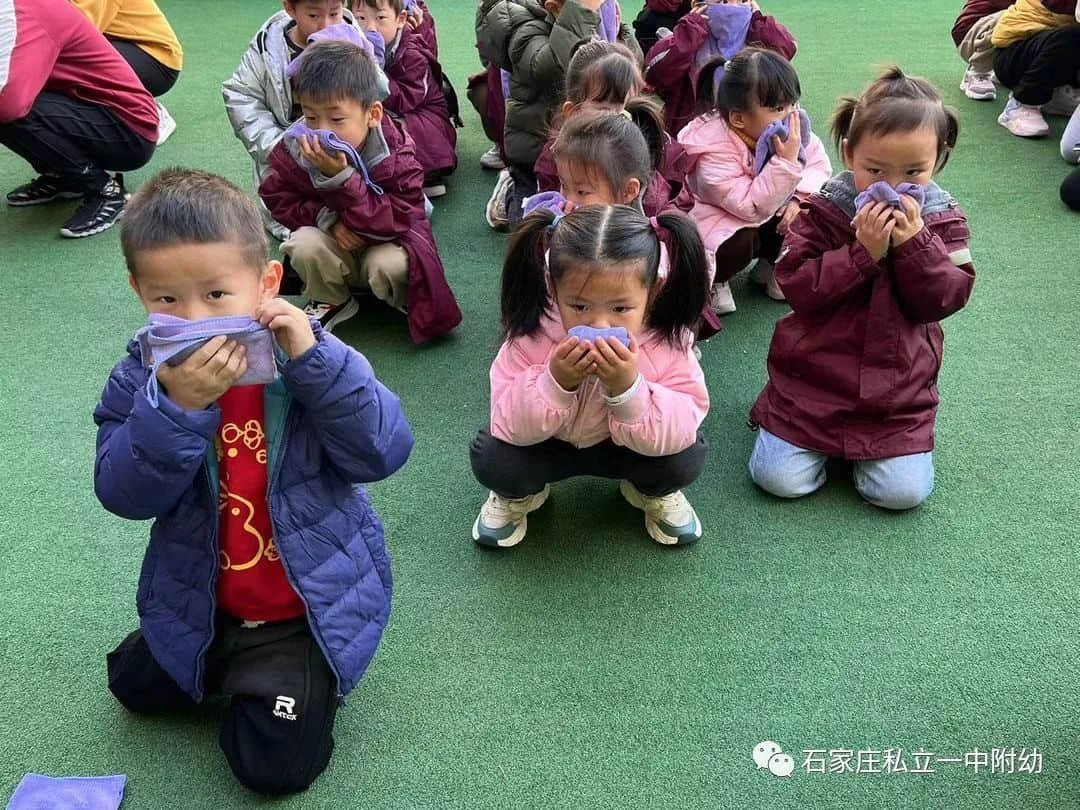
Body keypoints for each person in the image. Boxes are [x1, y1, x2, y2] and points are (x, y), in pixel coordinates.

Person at [95, 168, 413, 794]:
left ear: (267, 283)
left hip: (301, 611)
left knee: (272, 769)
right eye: (167, 300)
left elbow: (383, 451)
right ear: (138, 291)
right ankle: (224, 666)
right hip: (204, 597)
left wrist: (316, 361)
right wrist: (175, 410)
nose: (195, 320)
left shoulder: (308, 363)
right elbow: (124, 494)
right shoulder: (141, 378)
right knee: (127, 684)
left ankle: (277, 682)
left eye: (217, 295)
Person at [748, 68, 975, 510]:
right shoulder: (824, 210)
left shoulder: (942, 220)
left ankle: (872, 455)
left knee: (902, 494)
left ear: (938, 162)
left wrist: (915, 246)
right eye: (875, 169)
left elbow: (944, 299)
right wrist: (861, 254)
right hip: (812, 384)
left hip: (897, 395)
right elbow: (797, 287)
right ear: (850, 155)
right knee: (776, 479)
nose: (891, 185)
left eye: (913, 170)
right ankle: (786, 425)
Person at [469, 204, 710, 548]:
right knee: (492, 456)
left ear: (652, 292)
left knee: (685, 457)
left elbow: (684, 422)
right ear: (553, 289)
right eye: (579, 306)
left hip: (626, 450)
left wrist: (628, 390)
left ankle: (649, 492)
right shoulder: (531, 333)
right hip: (547, 446)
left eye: (620, 308)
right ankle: (518, 497)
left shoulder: (665, 341)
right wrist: (555, 382)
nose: (599, 325)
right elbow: (505, 422)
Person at [259, 39, 462, 341]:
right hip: (335, 245)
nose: (322, 130)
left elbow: (400, 217)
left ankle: (398, 295)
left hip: (385, 243)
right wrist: (329, 221)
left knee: (389, 265)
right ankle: (332, 297)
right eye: (310, 116)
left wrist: (342, 179)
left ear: (373, 114)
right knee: (301, 243)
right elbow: (277, 196)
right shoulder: (297, 144)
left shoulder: (397, 152)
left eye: (337, 118)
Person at [678, 48, 831, 312]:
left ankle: (772, 266)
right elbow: (750, 208)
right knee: (740, 239)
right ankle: (717, 279)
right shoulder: (711, 148)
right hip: (722, 222)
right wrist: (785, 163)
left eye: (793, 103)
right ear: (738, 118)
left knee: (810, 209)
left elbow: (818, 166)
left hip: (767, 211)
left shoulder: (790, 128)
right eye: (778, 108)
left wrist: (797, 199)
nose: (791, 114)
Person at [223, 0, 385, 241]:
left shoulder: (351, 36)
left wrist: (356, 50)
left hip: (351, 152)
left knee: (380, 212)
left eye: (334, 13)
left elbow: (379, 92)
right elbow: (240, 96)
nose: (326, 25)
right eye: (313, 15)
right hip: (291, 158)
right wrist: (280, 149)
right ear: (290, 8)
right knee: (303, 233)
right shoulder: (267, 47)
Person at [477, 0, 642, 228]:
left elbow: (629, 66)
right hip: (535, 141)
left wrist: (619, 27)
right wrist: (579, 10)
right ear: (554, 7)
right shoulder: (517, 17)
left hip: (588, 138)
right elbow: (549, 66)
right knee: (529, 218)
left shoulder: (596, 10)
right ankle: (509, 189)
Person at [0, 0, 157, 238]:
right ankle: (66, 178)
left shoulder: (21, 9)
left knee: (9, 108)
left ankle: (106, 191)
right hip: (88, 109)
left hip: (128, 128)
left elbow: (8, 104)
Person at [530, 42, 688, 220]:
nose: (615, 115)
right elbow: (544, 219)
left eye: (623, 105)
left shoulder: (649, 145)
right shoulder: (556, 156)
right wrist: (560, 219)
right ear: (572, 111)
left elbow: (675, 204)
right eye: (604, 109)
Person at [645, 0, 796, 136]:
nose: (731, 7)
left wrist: (759, 22)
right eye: (721, 1)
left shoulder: (755, 35)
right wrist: (687, 34)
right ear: (698, 5)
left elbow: (785, 51)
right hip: (694, 137)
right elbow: (655, 74)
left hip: (750, 136)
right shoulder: (689, 35)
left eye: (742, 1)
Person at [352, 0, 457, 197]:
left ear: (400, 19)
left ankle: (427, 174)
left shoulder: (411, 53)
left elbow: (404, 101)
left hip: (419, 116)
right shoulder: (351, 43)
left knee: (390, 126)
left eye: (381, 18)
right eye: (360, 18)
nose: (370, 27)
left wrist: (372, 68)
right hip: (382, 110)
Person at [71, 0, 184, 144]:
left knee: (71, 62)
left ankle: (149, 113)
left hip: (155, 59)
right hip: (118, 45)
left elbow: (76, 32)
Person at [991, 0, 1080, 138]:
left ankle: (1057, 96)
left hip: (1046, 52)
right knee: (1071, 37)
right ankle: (1021, 104)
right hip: (1013, 54)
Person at [951, 0, 1012, 101]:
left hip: (1001, 40)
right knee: (1016, 15)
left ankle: (1002, 71)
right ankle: (977, 72)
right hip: (970, 36)